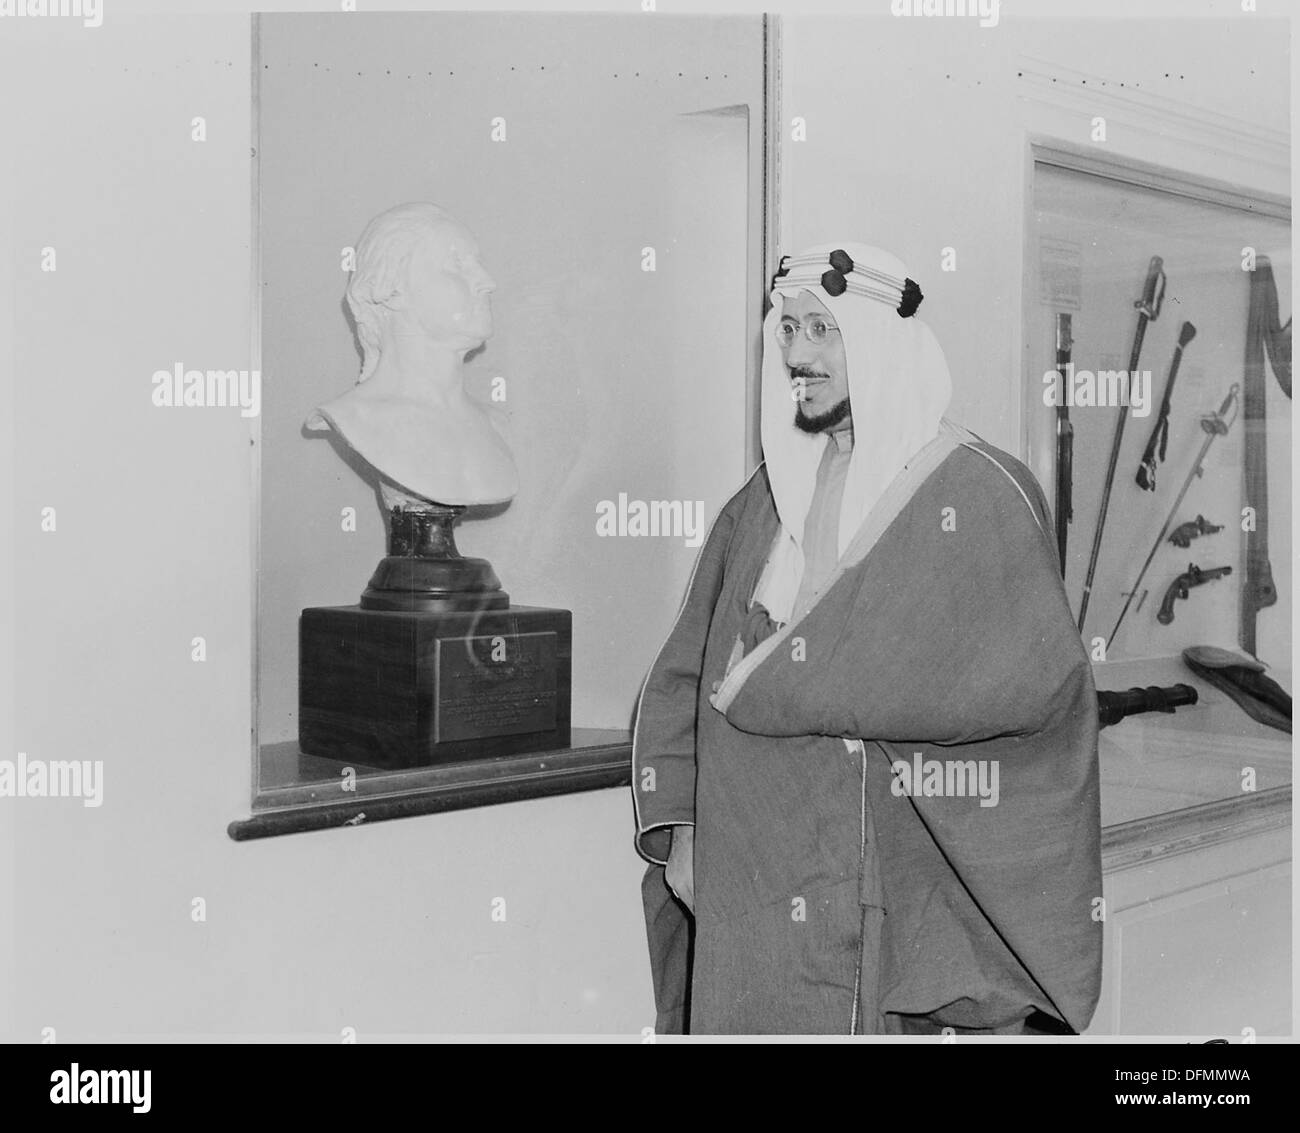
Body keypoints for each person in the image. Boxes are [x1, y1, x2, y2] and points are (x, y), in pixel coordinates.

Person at [630, 242, 1103, 1035]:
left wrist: (819, 685)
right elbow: (689, 671)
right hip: (754, 872)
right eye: (787, 330)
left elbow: (1037, 686)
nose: (798, 354)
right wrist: (684, 826)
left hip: (896, 869)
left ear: (882, 345)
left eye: (823, 329)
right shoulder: (761, 503)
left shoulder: (979, 493)